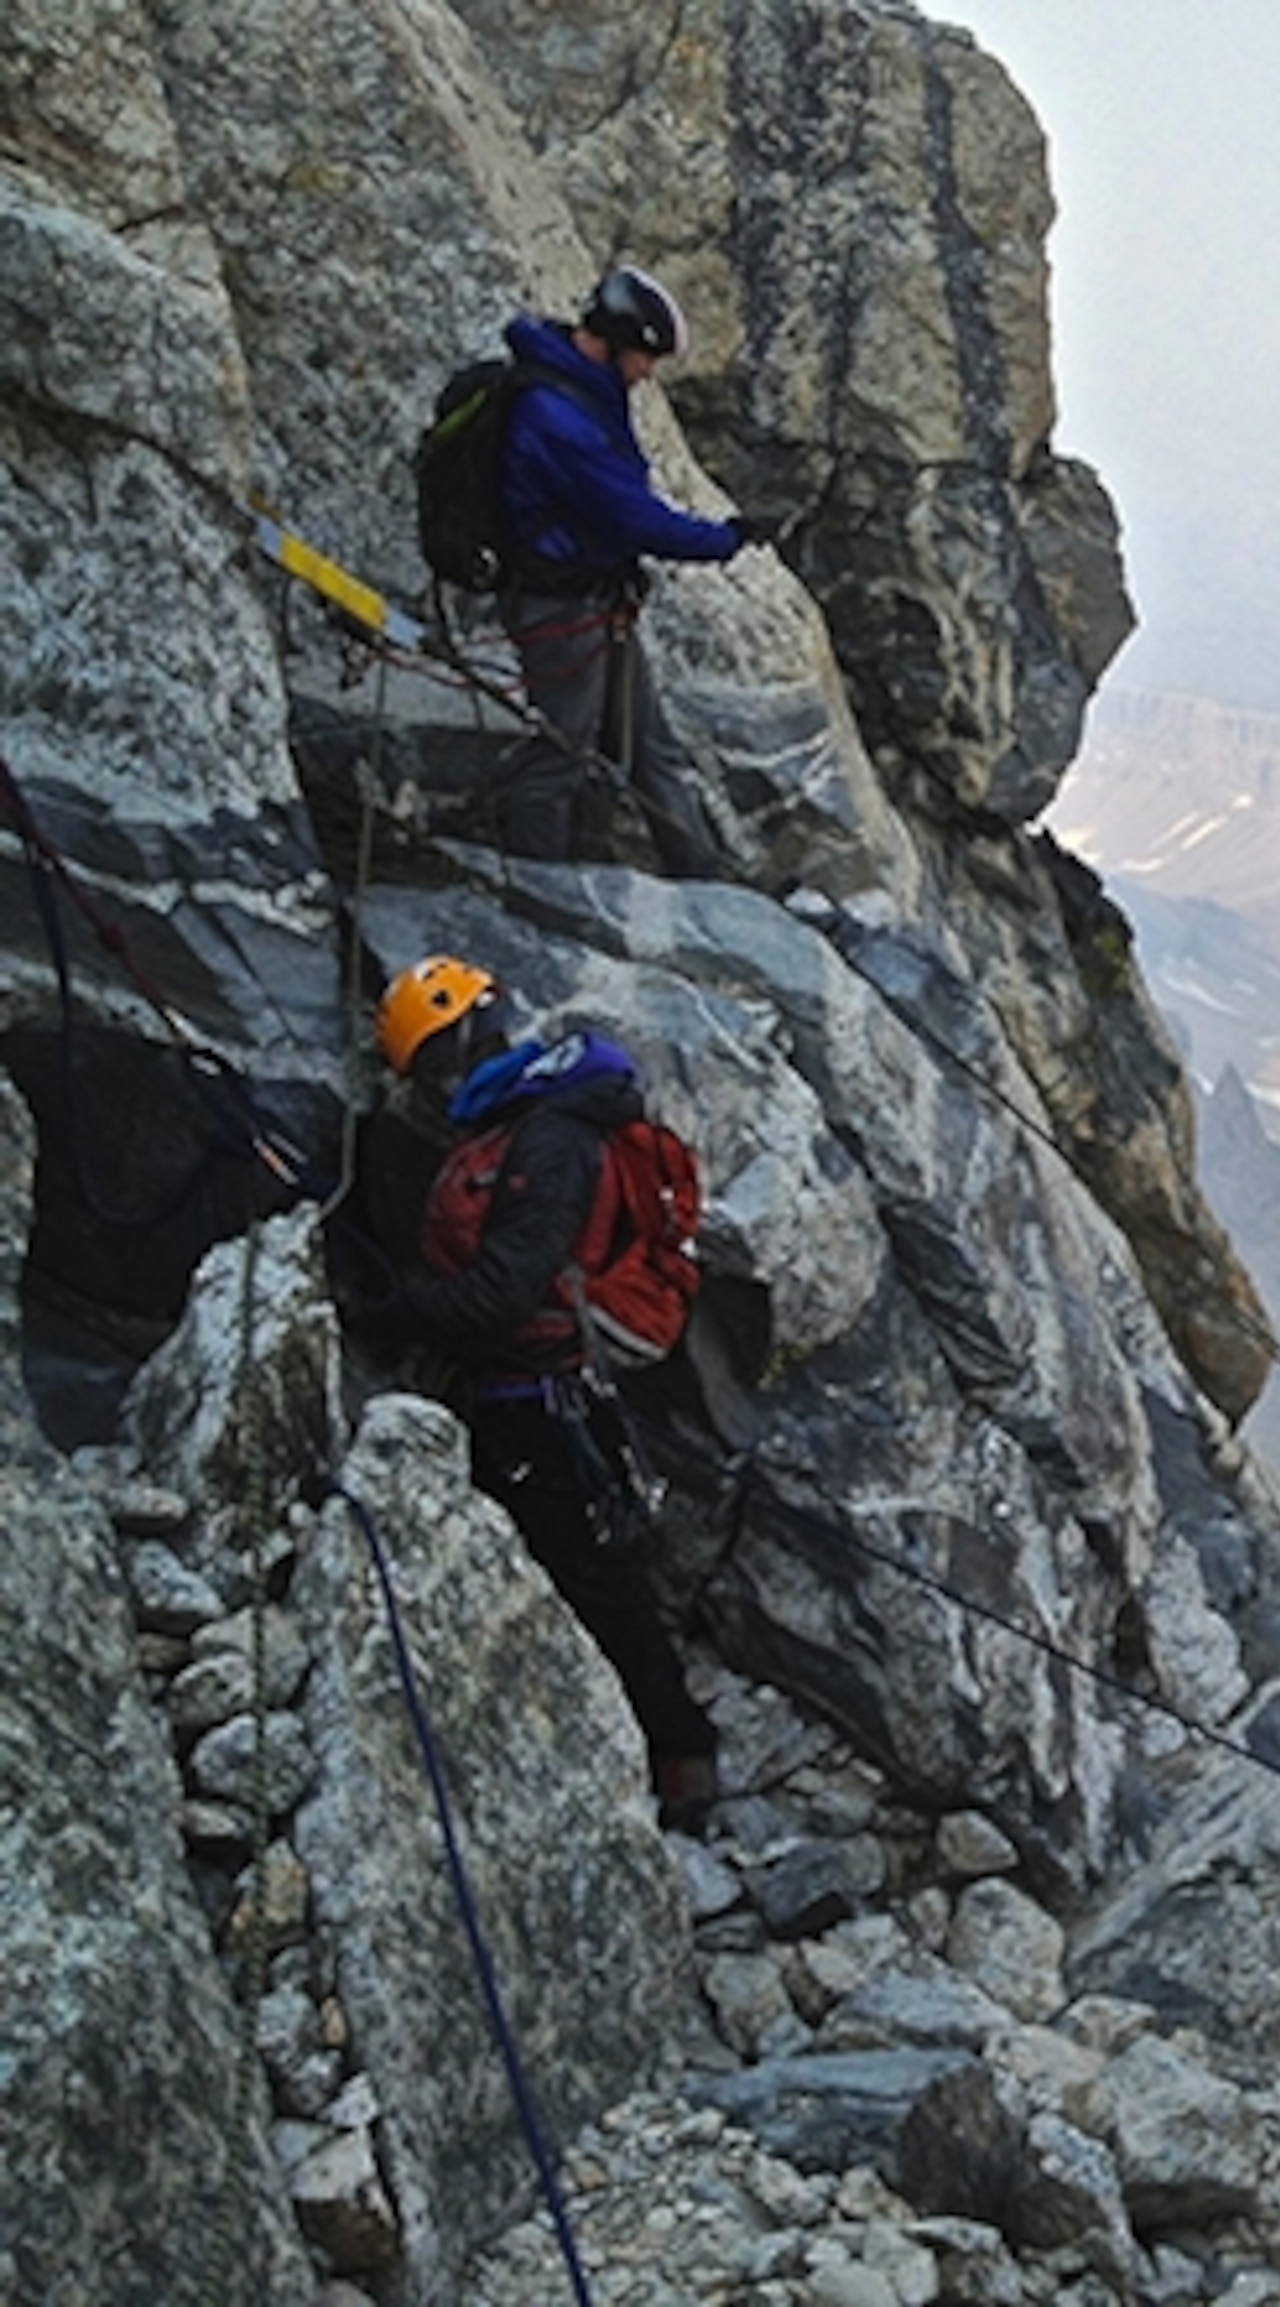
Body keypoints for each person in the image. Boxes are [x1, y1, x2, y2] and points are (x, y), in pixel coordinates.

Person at [350, 953, 723, 1825]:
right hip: (530, 1394)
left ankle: (680, 1757)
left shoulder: (549, 1140)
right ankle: (660, 1748)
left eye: (434, 1067)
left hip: (544, 1399)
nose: (434, 1092)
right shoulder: (531, 1123)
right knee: (586, 1571)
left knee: (592, 1578)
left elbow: (503, 1292)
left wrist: (388, 1310)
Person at [493, 265, 749, 878]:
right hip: (558, 608)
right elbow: (633, 518)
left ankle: (702, 879)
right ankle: (537, 890)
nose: (646, 373)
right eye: (642, 357)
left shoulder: (583, 387)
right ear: (610, 343)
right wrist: (725, 539)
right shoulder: (557, 415)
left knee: (647, 746)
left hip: (594, 601)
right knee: (562, 752)